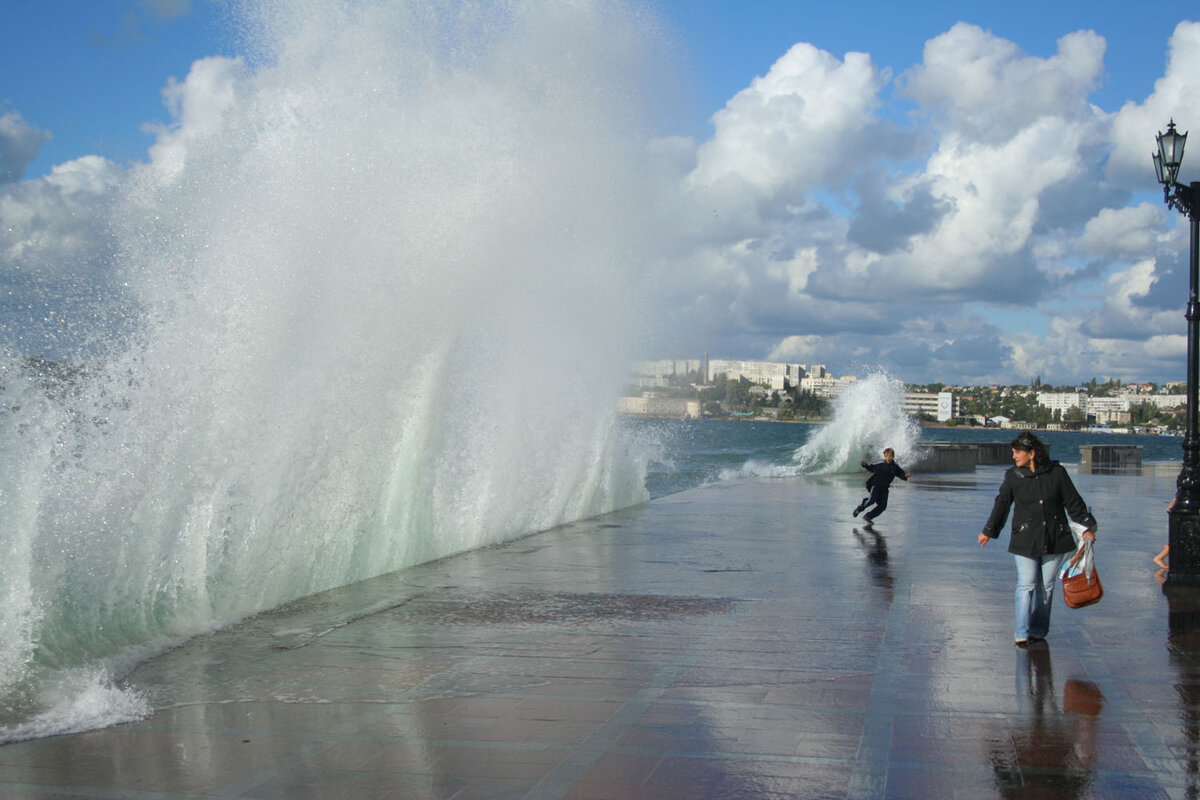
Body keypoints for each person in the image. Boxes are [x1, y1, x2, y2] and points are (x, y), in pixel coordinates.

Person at [978, 431, 1097, 648]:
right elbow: (1002, 504)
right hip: (1025, 539)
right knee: (1026, 584)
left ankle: (1038, 630)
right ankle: (1022, 632)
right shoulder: (1013, 476)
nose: (1013, 457)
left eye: (1017, 452)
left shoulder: (1057, 473)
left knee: (1046, 587)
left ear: (1031, 453)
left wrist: (1088, 527)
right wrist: (988, 531)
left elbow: (1074, 503)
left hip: (1055, 538)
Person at [852, 448, 911, 524]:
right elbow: (871, 467)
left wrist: (906, 476)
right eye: (887, 456)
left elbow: (901, 474)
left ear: (893, 456)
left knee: (883, 506)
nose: (888, 458)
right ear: (884, 456)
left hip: (885, 489)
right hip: (875, 486)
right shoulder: (880, 464)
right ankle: (859, 509)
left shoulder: (895, 467)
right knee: (871, 500)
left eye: (890, 456)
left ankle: (868, 516)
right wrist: (865, 465)